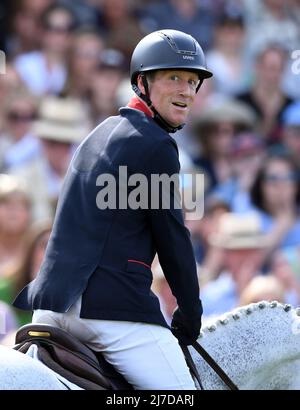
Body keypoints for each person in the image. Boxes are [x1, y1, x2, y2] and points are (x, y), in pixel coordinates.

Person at [13, 29, 213, 390]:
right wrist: (191, 312)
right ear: (142, 82)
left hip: (52, 308)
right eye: (174, 78)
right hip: (108, 312)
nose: (186, 90)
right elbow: (173, 237)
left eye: (193, 81)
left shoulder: (100, 131)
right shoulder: (156, 146)